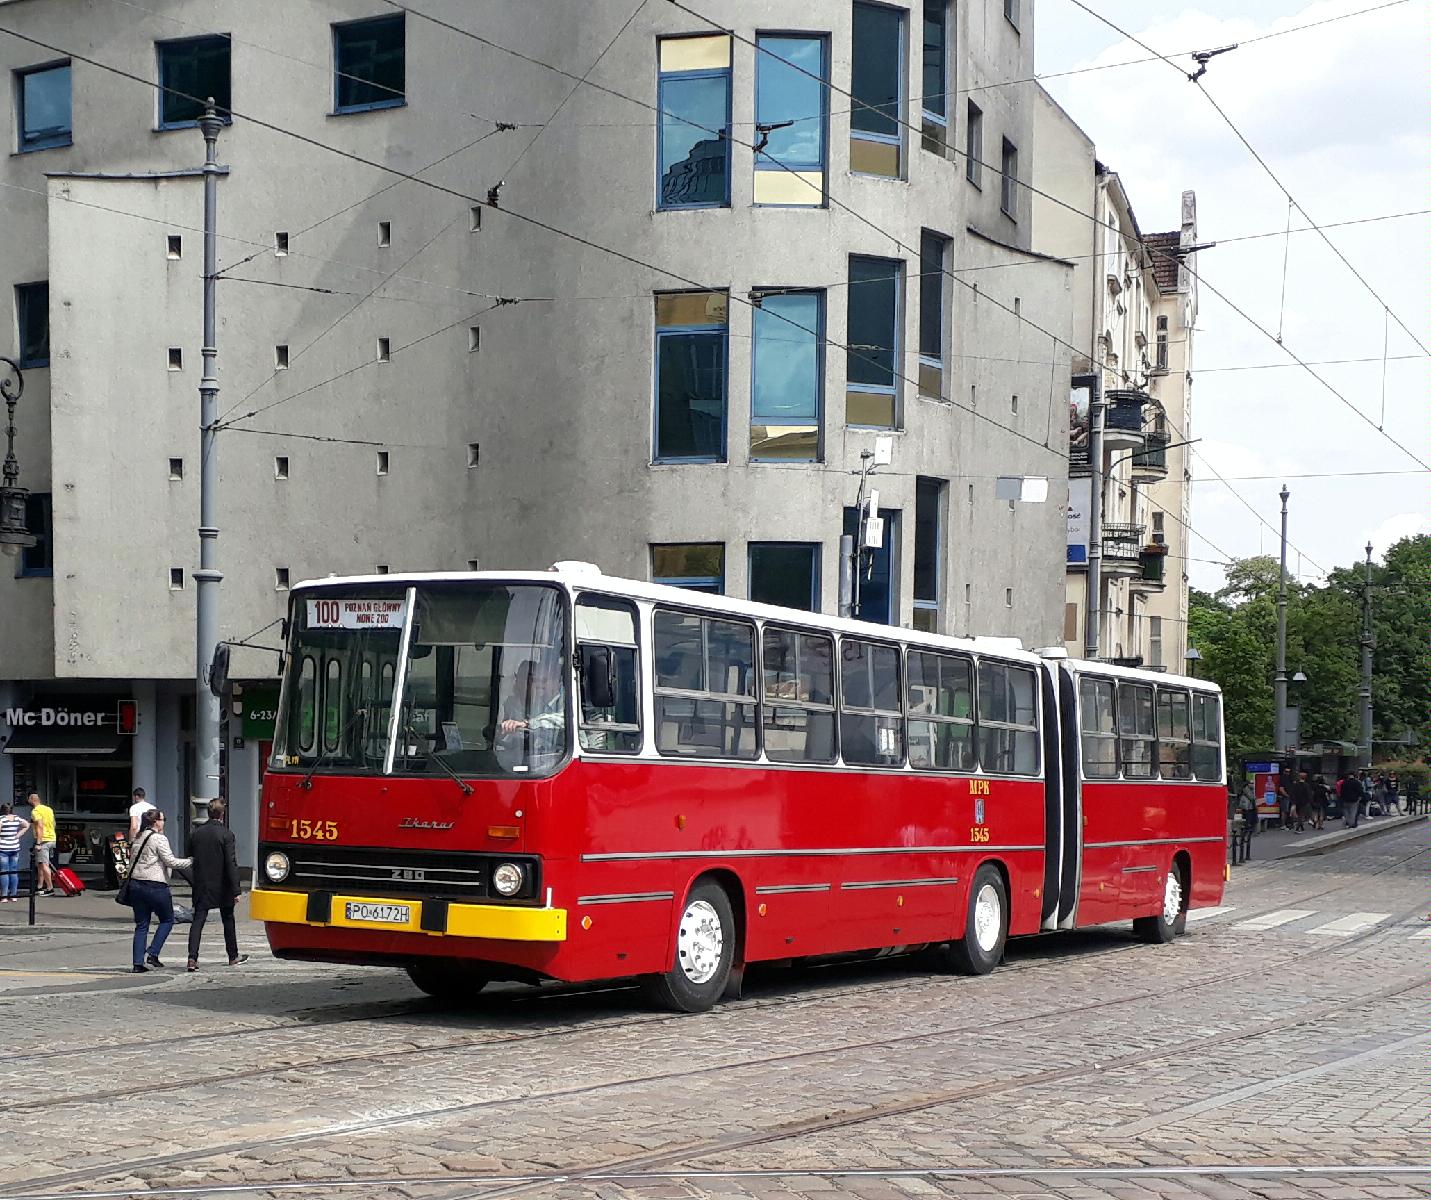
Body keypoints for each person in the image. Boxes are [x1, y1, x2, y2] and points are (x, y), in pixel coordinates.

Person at [127, 809, 192, 973]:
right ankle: (153, 953)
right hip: (155, 885)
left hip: (136, 883)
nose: (164, 823)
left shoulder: (138, 837)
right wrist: (190, 861)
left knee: (141, 924)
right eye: (163, 820)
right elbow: (171, 862)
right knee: (167, 919)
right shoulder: (159, 839)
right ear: (156, 822)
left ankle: (137, 963)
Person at [186, 798, 247, 971]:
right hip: (223, 884)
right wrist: (236, 889)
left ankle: (192, 958)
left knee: (198, 920)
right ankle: (233, 956)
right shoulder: (226, 834)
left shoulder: (197, 833)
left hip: (202, 883)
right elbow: (231, 863)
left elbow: (189, 857)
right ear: (222, 814)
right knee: (228, 919)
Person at [27, 793, 56, 896]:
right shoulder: (48, 809)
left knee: (44, 865)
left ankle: (50, 888)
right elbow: (53, 823)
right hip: (52, 838)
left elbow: (40, 826)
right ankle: (39, 887)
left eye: (28, 799)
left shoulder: (35, 811)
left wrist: (38, 842)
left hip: (43, 840)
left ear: (32, 800)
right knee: (40, 864)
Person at [0, 804, 29, 903]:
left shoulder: (1, 819)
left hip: (3, 848)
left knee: (4, 871)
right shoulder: (17, 818)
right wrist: (18, 835)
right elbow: (26, 825)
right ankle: (14, 895)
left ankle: (4, 896)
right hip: (15, 847)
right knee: (13, 871)